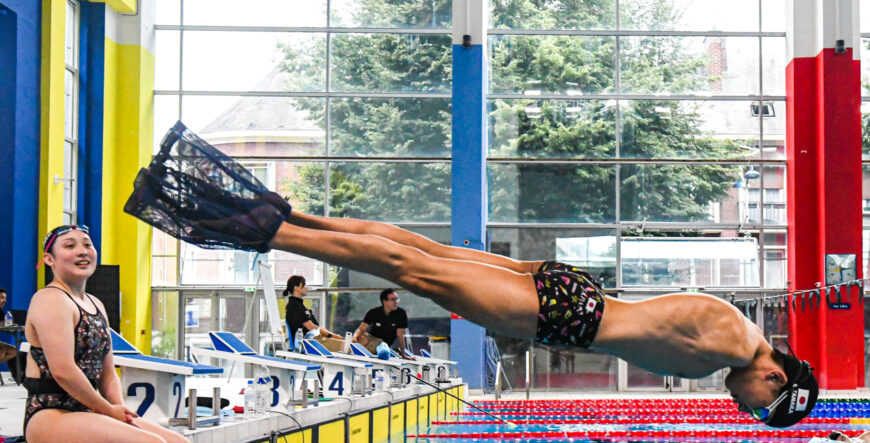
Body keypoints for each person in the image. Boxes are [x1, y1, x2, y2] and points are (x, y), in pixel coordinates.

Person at [124, 121, 819, 427]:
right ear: (777, 375)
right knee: (411, 268)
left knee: (416, 252)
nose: (746, 407)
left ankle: (285, 218)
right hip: (567, 316)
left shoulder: (740, 330)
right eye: (761, 402)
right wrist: (819, 414)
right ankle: (269, 225)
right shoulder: (737, 346)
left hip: (570, 288)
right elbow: (784, 387)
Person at [23, 225, 198, 443]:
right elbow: (63, 372)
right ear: (50, 258)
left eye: (87, 244)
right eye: (69, 246)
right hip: (50, 414)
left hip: (87, 412)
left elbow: (108, 374)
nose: (82, 251)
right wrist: (109, 411)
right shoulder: (49, 300)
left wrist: (120, 412)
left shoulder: (95, 305)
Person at [283, 274, 344, 349]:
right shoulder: (294, 306)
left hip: (314, 339)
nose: (306, 287)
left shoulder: (299, 304)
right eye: (304, 284)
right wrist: (334, 336)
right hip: (308, 342)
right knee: (345, 346)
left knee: (346, 344)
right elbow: (312, 327)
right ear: (296, 288)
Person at [354, 288, 415, 360]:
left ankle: (355, 354)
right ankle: (349, 350)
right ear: (384, 301)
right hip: (370, 337)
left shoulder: (401, 314)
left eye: (397, 299)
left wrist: (403, 355)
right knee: (362, 339)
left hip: (382, 344)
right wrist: (354, 337)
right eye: (393, 300)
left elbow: (400, 336)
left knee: (369, 345)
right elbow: (361, 329)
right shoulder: (374, 312)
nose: (396, 302)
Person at [0, 288, 18, 369]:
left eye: (5, 298)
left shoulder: (1, 312)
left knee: (14, 351)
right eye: (2, 297)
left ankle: (18, 377)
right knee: (1, 351)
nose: (4, 301)